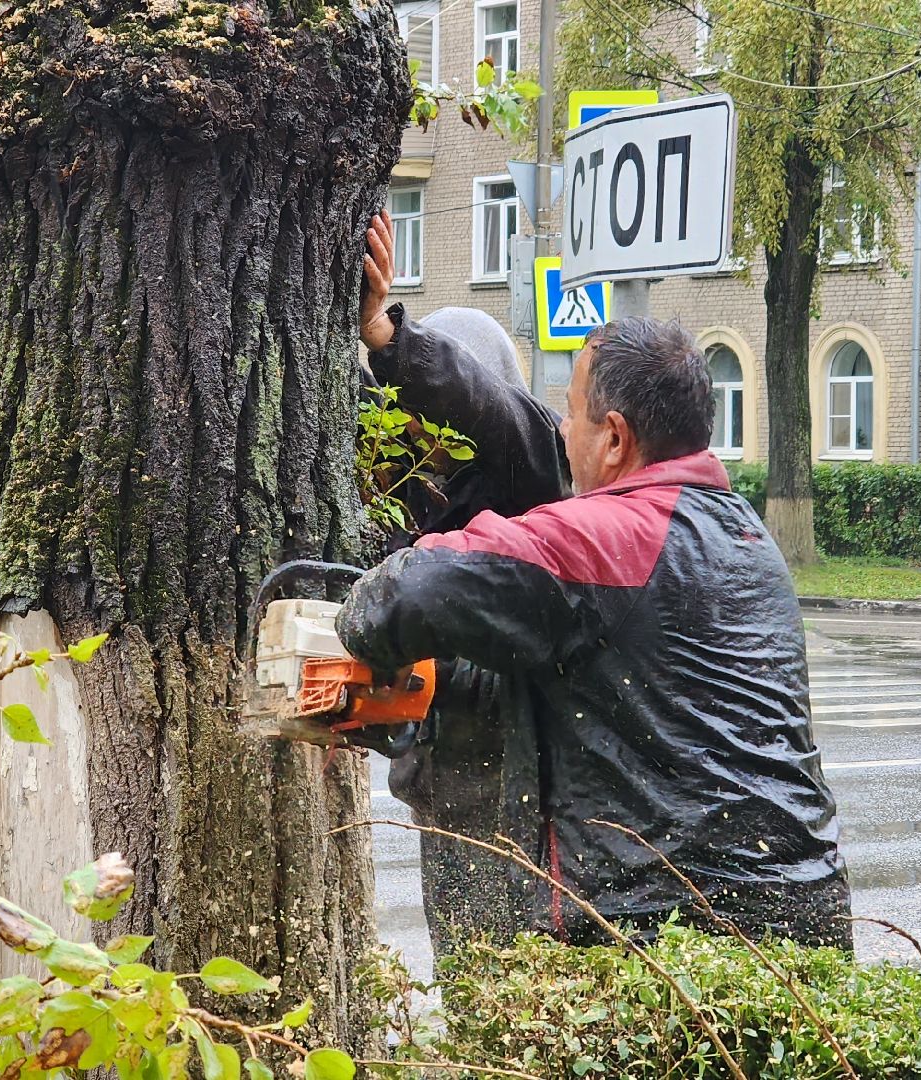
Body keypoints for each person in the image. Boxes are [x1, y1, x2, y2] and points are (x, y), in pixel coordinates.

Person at [344, 239, 851, 949]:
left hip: (667, 936)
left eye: (573, 414)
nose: (560, 430)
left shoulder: (607, 537)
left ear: (614, 439)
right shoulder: (746, 536)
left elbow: (412, 591)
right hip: (799, 917)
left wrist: (351, 609)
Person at [354, 213, 568, 962]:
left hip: (524, 785)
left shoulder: (526, 462)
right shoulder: (409, 498)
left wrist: (387, 337)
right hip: (441, 785)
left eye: (426, 411)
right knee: (468, 971)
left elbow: (490, 411)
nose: (415, 432)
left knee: (529, 981)